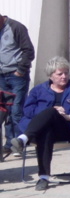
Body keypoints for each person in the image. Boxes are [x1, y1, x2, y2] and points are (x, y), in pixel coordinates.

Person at [13, 56, 70, 191]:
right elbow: (28, 111)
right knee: (47, 128)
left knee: (52, 113)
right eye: (60, 74)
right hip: (42, 131)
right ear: (51, 75)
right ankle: (44, 177)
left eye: (66, 73)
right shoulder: (38, 90)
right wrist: (49, 112)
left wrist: (69, 115)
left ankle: (24, 138)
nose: (64, 76)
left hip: (66, 129)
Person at [0, 12, 35, 158]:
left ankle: (20, 143)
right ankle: (9, 144)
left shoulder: (16, 27)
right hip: (1, 75)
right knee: (4, 112)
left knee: (16, 110)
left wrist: (21, 70)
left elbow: (29, 51)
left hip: (16, 75)